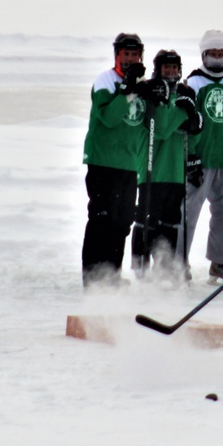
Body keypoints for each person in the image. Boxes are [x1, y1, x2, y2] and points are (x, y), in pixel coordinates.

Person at [179, 30, 223, 284]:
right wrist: (191, 158)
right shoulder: (193, 84)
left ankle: (219, 263)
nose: (218, 59)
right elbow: (188, 126)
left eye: (222, 54)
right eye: (213, 54)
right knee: (189, 211)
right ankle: (178, 263)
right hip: (201, 160)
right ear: (204, 55)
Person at [81, 33, 149, 288]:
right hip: (103, 161)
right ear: (117, 55)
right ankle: (93, 277)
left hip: (130, 163)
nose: (131, 59)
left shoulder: (141, 82)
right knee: (102, 218)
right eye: (126, 54)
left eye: (135, 54)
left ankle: (111, 274)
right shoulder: (105, 81)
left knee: (122, 222)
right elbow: (109, 118)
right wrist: (128, 92)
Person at [130, 49, 203, 282]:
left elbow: (195, 129)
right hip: (152, 166)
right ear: (158, 69)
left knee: (171, 221)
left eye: (175, 68)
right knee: (147, 217)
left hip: (175, 170)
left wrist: (190, 115)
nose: (171, 72)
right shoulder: (152, 90)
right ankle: (140, 266)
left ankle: (166, 267)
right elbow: (160, 128)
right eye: (166, 68)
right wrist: (182, 111)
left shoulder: (185, 92)